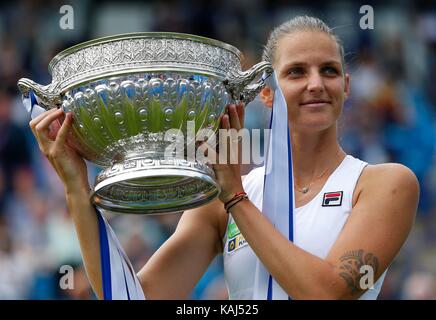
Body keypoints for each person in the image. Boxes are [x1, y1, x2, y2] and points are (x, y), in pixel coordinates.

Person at [29, 16, 419, 300]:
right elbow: (134, 298)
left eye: (329, 71)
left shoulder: (384, 183)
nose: (316, 83)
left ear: (346, 86)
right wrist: (77, 189)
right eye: (297, 72)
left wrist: (235, 197)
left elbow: (328, 294)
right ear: (265, 93)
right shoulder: (222, 202)